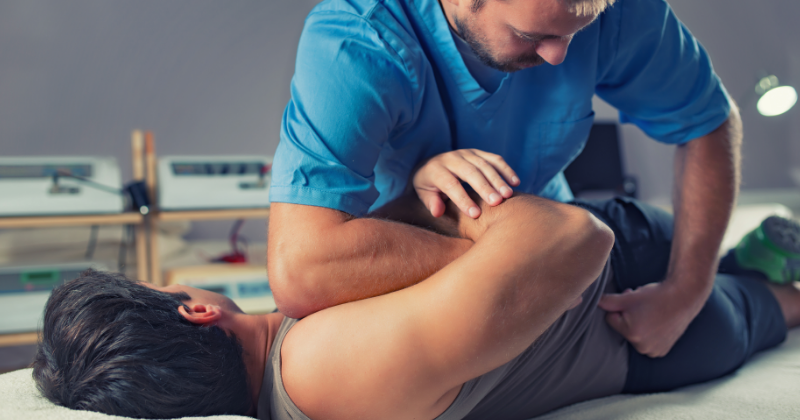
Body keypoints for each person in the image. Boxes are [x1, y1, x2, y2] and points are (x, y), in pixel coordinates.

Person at [33, 191, 799, 420]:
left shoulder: (300, 336)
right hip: (654, 318)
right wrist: (454, 202)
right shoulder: (316, 367)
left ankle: (755, 250)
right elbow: (575, 237)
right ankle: (767, 263)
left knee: (729, 258)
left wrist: (428, 183)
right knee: (780, 302)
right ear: (196, 311)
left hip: (628, 265)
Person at [267, 0, 744, 361]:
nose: (560, 57)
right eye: (529, 33)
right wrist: (520, 265)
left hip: (582, 242)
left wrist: (687, 291)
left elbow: (709, 120)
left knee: (719, 328)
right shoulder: (358, 41)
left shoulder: (616, 11)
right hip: (480, 255)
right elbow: (301, 270)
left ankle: (774, 278)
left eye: (580, 28)